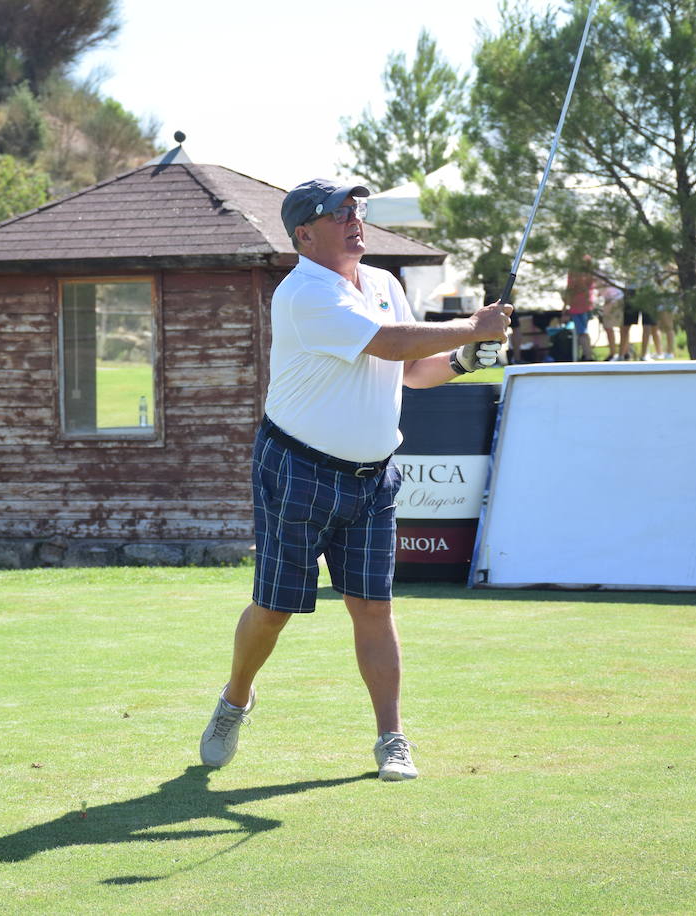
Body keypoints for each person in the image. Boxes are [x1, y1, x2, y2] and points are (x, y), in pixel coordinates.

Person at [199, 178, 511, 781]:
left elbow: (414, 370)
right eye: (338, 212)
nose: (354, 218)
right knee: (273, 607)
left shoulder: (386, 285)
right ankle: (235, 698)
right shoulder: (303, 293)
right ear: (304, 234)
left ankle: (391, 737)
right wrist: (473, 326)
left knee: (374, 606)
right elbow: (389, 343)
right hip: (296, 466)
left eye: (356, 209)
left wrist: (466, 358)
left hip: (373, 477)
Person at [562, 256, 596, 360]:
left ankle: (588, 356)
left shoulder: (575, 272)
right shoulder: (590, 271)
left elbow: (570, 289)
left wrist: (564, 308)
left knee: (582, 332)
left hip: (577, 306)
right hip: (588, 304)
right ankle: (586, 354)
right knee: (583, 331)